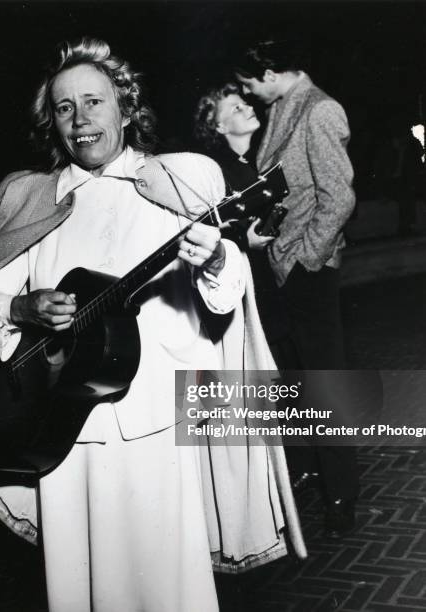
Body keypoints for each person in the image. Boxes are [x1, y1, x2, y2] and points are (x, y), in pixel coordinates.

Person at [0, 37, 305, 611]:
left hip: (158, 426)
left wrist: (214, 257)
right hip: (63, 432)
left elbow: (229, 292)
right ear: (51, 123)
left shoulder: (176, 181)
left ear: (125, 108)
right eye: (64, 107)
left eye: (94, 101)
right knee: (81, 590)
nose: (80, 118)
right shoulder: (32, 196)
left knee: (168, 591)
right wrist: (19, 308)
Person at [234, 39, 358, 538]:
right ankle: (310, 469)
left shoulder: (321, 109)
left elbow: (339, 197)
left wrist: (306, 256)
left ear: (266, 71)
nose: (244, 91)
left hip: (308, 269)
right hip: (282, 267)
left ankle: (341, 494)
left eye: (246, 82)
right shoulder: (286, 106)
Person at [194, 82, 298, 368]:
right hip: (239, 289)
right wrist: (243, 241)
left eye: (245, 103)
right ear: (219, 126)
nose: (249, 107)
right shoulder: (215, 169)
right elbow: (205, 228)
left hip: (259, 283)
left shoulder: (246, 162)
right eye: (236, 108)